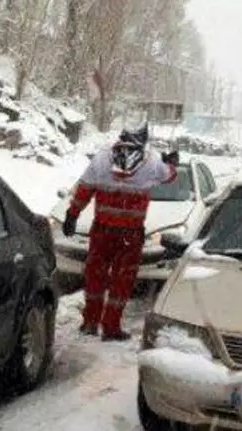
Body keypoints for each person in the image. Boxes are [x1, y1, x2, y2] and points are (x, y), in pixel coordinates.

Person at [61, 124, 178, 341]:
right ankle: (111, 327)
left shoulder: (102, 159)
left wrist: (72, 214)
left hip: (102, 231)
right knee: (122, 280)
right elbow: (169, 176)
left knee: (95, 275)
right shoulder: (151, 162)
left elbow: (84, 189)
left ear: (121, 137)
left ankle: (90, 322)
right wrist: (171, 163)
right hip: (130, 235)